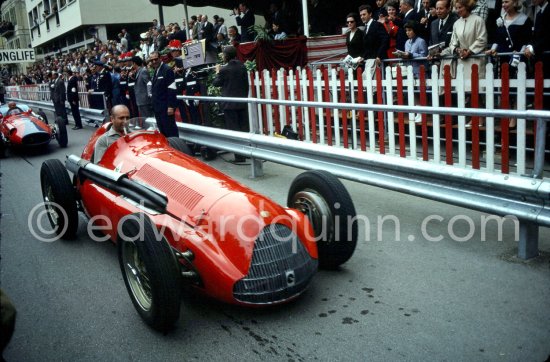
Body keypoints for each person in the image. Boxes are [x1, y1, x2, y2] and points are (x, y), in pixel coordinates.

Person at [212, 45, 249, 162]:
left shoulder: (224, 70)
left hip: (229, 104)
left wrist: (217, 71)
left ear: (226, 55)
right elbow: (246, 85)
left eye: (223, 54)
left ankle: (239, 157)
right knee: (243, 128)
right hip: (242, 102)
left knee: (234, 130)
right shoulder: (242, 66)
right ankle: (246, 152)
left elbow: (216, 83)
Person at [439, 0, 487, 89]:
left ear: (467, 7)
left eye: (460, 7)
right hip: (462, 61)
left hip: (476, 59)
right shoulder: (456, 23)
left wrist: (469, 51)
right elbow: (452, 42)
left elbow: (482, 39)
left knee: (477, 91)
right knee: (463, 92)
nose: (458, 10)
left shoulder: (478, 20)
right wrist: (457, 50)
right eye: (456, 8)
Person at [149, 51, 179, 138]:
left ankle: (175, 148)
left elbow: (172, 89)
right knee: (163, 131)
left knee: (170, 131)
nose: (154, 61)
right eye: (152, 60)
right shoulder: (156, 71)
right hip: (158, 108)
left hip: (166, 107)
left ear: (160, 58)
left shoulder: (167, 69)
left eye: (155, 59)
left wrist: (171, 106)